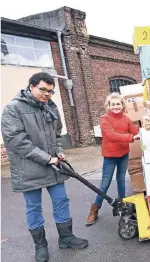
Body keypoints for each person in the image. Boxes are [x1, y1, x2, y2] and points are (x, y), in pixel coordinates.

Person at [1, 72, 88, 262]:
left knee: (61, 201)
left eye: (50, 91)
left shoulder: (50, 107)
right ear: (31, 86)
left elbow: (57, 132)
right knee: (33, 208)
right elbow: (17, 142)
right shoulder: (13, 109)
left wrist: (58, 150)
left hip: (53, 165)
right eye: (43, 89)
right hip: (28, 168)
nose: (47, 94)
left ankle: (66, 238)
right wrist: (47, 158)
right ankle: (40, 246)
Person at [85, 92, 139, 226]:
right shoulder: (105, 119)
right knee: (105, 183)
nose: (116, 106)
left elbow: (134, 131)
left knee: (121, 179)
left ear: (122, 105)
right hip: (110, 156)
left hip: (123, 154)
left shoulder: (126, 119)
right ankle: (94, 209)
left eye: (118, 104)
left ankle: (122, 205)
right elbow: (112, 135)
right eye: (113, 104)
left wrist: (145, 130)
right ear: (108, 106)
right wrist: (131, 137)